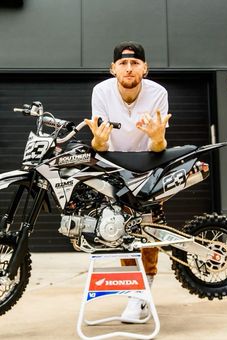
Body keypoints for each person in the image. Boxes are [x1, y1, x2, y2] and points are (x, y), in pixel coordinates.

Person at [85, 41, 171, 323]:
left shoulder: (158, 93)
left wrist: (158, 137)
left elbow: (158, 146)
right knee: (121, 230)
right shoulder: (102, 91)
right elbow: (101, 142)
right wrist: (97, 140)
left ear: (145, 68)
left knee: (146, 230)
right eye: (123, 63)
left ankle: (140, 295)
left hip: (149, 162)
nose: (129, 68)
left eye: (135, 63)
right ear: (113, 69)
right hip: (115, 164)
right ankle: (136, 289)